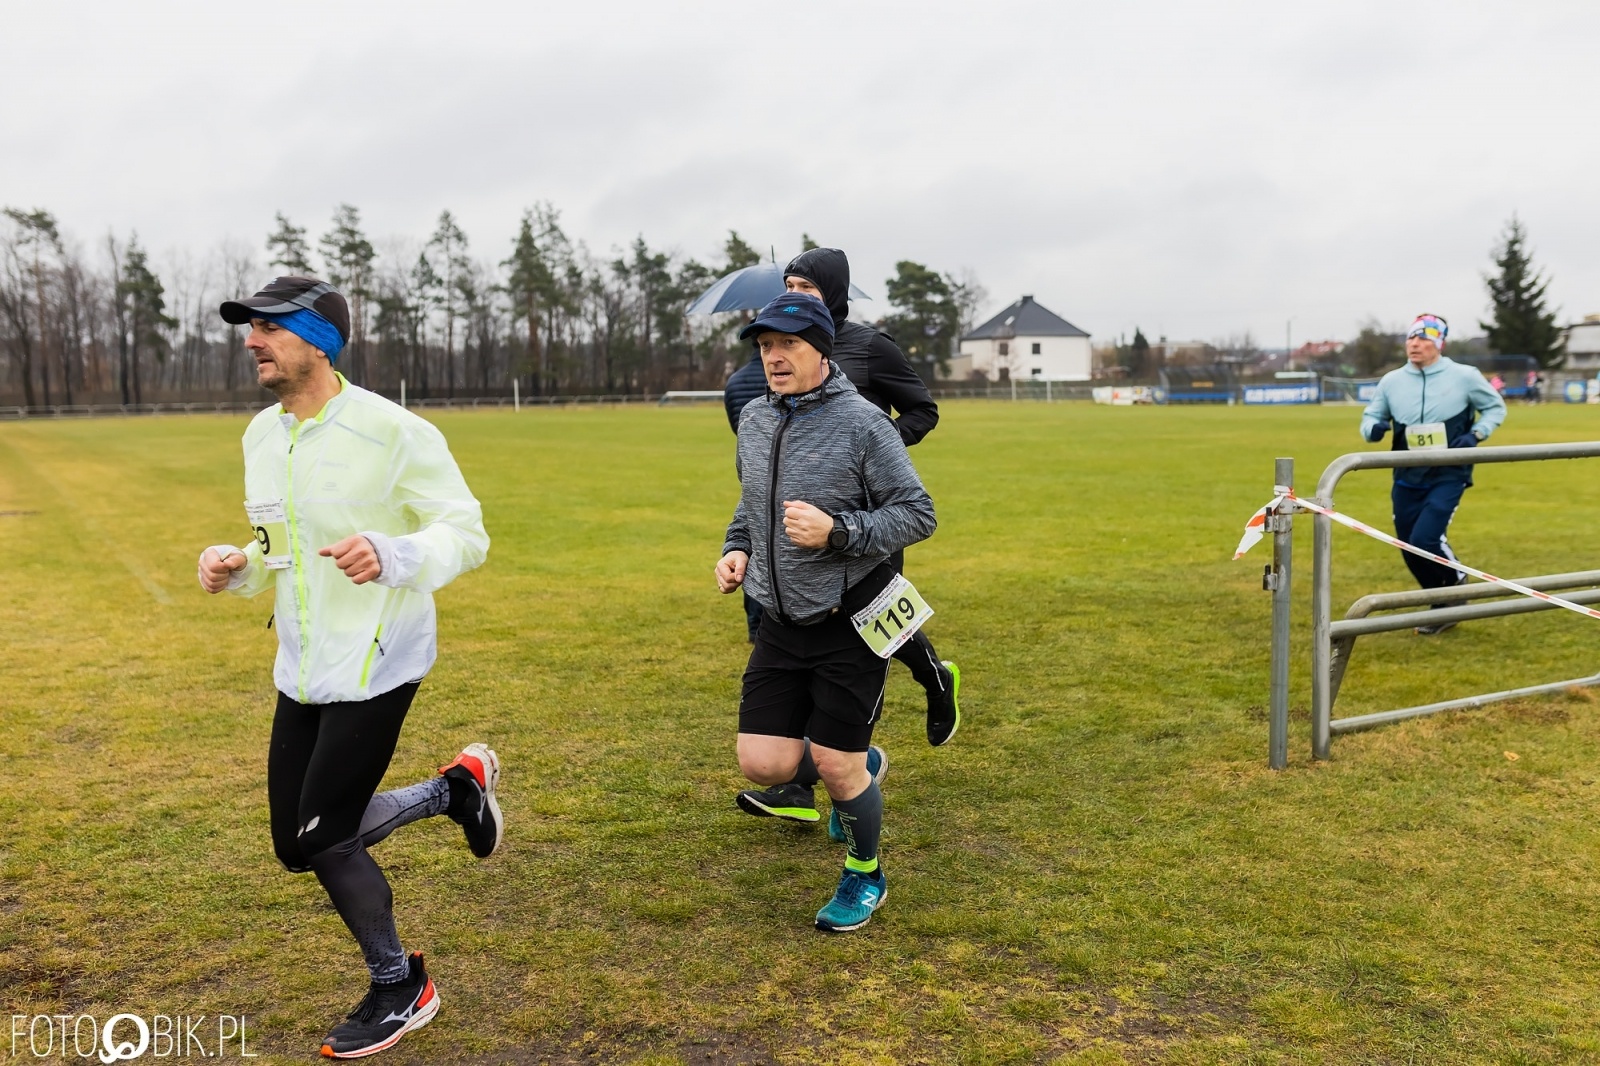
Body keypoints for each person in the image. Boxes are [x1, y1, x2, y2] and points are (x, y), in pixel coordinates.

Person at [197, 275, 498, 1058]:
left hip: (379, 656)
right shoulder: (261, 435)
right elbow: (277, 548)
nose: (251, 341)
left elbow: (465, 534)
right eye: (249, 327)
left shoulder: (394, 432)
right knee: (294, 844)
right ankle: (453, 789)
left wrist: (392, 552)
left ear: (321, 341)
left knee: (326, 834)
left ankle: (401, 984)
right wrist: (241, 567)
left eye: (269, 327)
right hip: (302, 660)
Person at [717, 292, 936, 931]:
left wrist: (838, 531)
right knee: (764, 762)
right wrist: (737, 549)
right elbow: (752, 501)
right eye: (765, 347)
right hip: (778, 621)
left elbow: (918, 514)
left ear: (821, 349)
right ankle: (861, 763)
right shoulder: (756, 419)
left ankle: (866, 873)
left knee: (835, 767)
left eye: (787, 344)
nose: (774, 358)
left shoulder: (864, 422)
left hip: (850, 621)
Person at [781, 247, 960, 748]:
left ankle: (935, 679)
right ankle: (799, 779)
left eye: (807, 288)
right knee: (808, 634)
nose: (794, 295)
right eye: (789, 286)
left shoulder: (870, 346)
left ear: (833, 293)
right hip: (801, 510)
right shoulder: (784, 344)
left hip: (870, 512)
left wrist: (873, 455)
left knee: (874, 624)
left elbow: (922, 411)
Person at [1360, 313, 1506, 635]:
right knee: (1407, 545)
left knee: (1425, 538)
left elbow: (1496, 408)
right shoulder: (1392, 381)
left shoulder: (1465, 376)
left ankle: (1455, 585)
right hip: (1406, 476)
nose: (1415, 344)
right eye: (1411, 338)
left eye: (1424, 338)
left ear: (1439, 343)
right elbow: (1370, 417)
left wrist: (1477, 434)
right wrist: (1374, 428)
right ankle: (1441, 603)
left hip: (1448, 473)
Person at [724, 350, 770, 642]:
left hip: (754, 464)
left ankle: (756, 625)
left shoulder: (736, 380)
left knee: (754, 547)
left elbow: (735, 426)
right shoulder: (790, 372)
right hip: (793, 463)